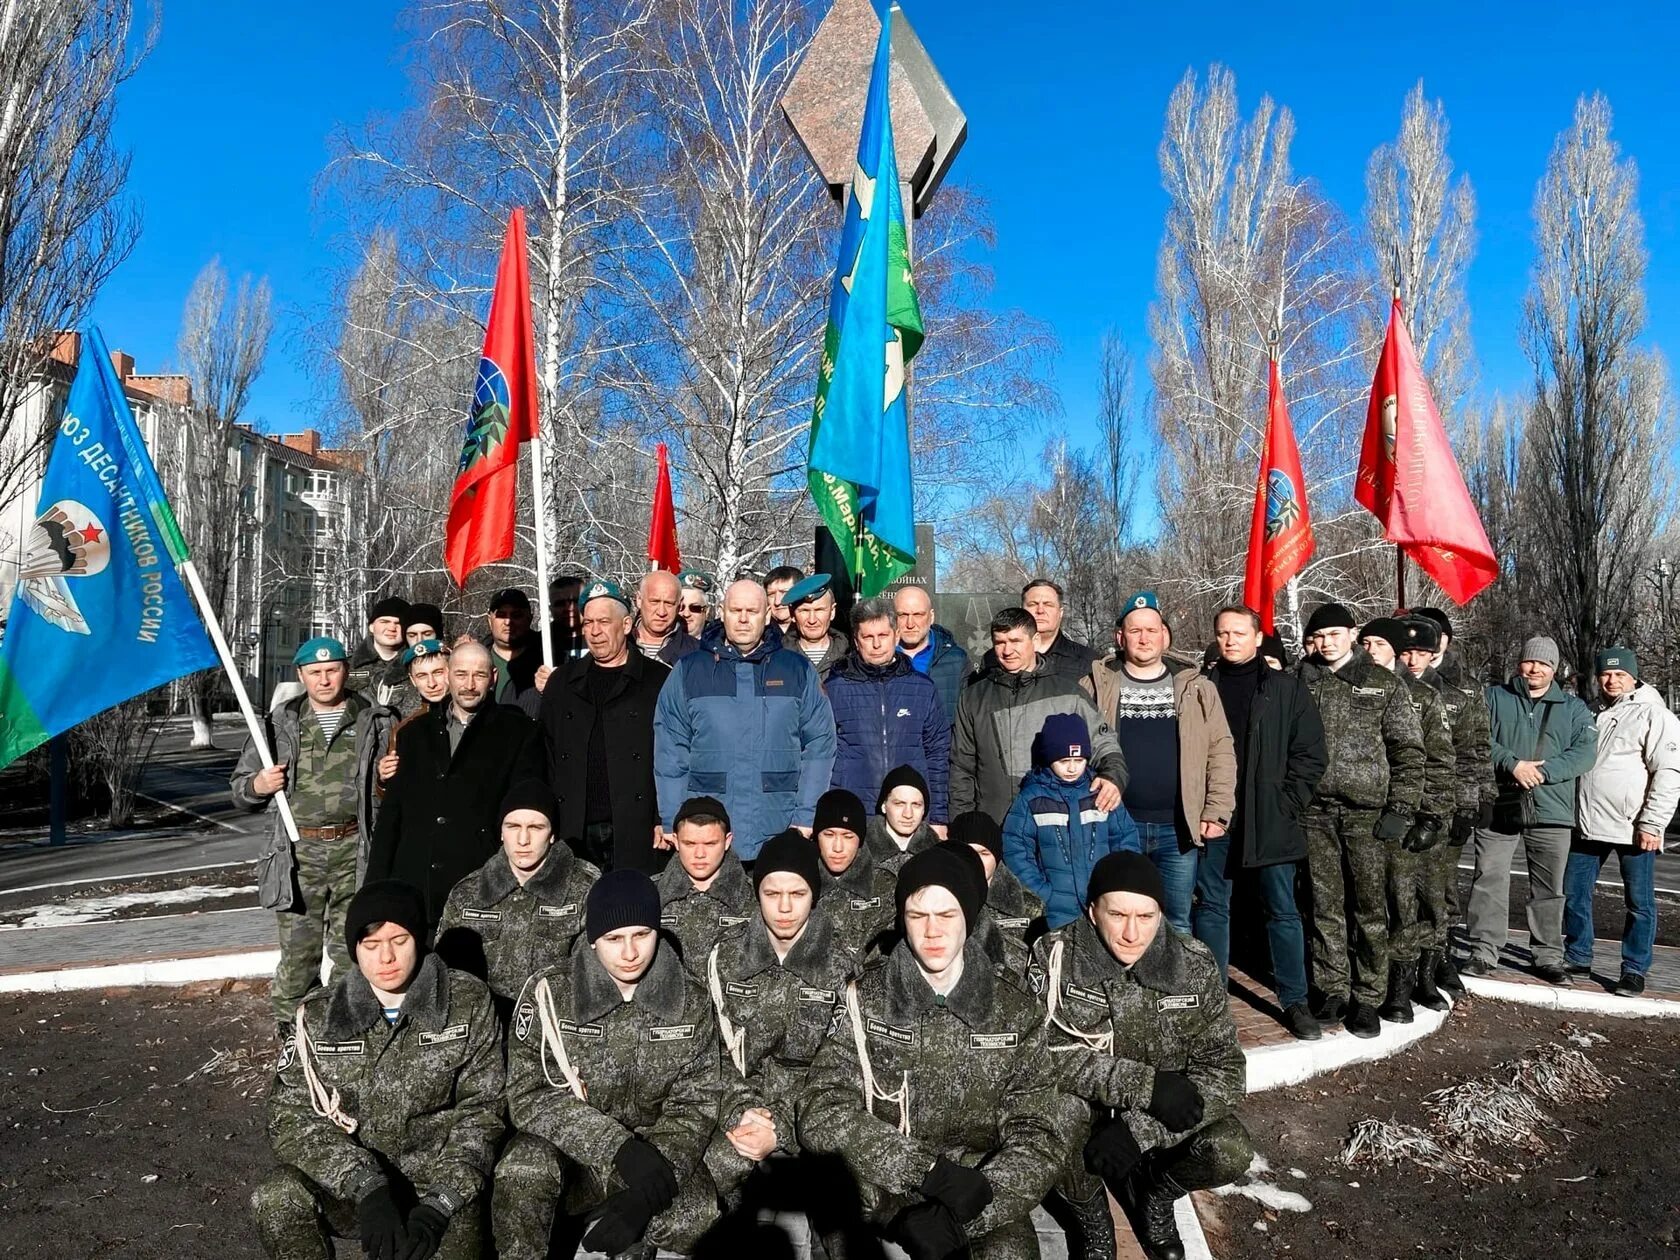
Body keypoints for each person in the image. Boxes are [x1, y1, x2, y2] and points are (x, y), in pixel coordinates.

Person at [798, 846, 1071, 1260]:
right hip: (881, 1187)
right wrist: (923, 1173)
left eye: (947, 915)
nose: (932, 931)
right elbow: (821, 1110)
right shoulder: (864, 1000)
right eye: (917, 915)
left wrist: (964, 1216)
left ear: (970, 918)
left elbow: (1039, 1135)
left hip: (979, 1187)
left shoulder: (1014, 1009)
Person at [252, 880, 504, 1260]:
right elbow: (291, 1117)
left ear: (419, 940)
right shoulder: (319, 1016)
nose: (386, 957)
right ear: (354, 949)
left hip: (441, 1189)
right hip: (357, 1190)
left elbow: (485, 1111)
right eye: (371, 945)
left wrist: (441, 1201)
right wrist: (364, 1184)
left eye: (399, 941)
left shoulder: (466, 1002)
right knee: (277, 1195)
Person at [1027, 853, 1252, 1260]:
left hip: (1160, 1120)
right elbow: (1041, 1056)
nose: (1132, 933)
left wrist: (1141, 1130)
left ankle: (1154, 1196)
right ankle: (1092, 1219)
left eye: (1146, 917)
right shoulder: (1054, 957)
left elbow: (1226, 1070)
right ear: (1092, 912)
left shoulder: (1194, 964)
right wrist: (1144, 1086)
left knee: (1229, 1149)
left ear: (1161, 913)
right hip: (1085, 1115)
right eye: (1118, 914)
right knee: (1049, 1113)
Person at [497, 870, 722, 1258]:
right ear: (593, 940)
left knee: (696, 1212)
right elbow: (527, 1094)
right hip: (572, 1151)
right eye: (614, 939)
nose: (630, 952)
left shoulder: (693, 1000)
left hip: (657, 1151)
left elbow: (696, 1103)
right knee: (522, 1171)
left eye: (642, 934)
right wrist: (616, 1148)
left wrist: (646, 1194)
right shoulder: (549, 994)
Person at [232, 637, 396, 1037]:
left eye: (333, 669)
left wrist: (388, 780)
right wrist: (258, 783)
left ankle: (342, 1028)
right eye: (316, 673)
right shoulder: (276, 725)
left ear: (345, 670)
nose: (325, 679)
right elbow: (239, 791)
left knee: (351, 949)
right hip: (297, 854)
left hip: (355, 851)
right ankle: (292, 1032)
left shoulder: (375, 721)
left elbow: (393, 789)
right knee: (299, 956)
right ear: (302, 676)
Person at [702, 829, 857, 1220]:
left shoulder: (843, 964)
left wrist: (782, 1127)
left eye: (798, 894)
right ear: (757, 896)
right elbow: (711, 1050)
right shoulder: (725, 956)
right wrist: (744, 1112)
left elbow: (844, 1069)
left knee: (846, 1213)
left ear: (814, 896)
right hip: (742, 1111)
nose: (784, 907)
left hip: (815, 1117)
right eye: (772, 894)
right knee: (699, 1202)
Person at [1193, 606, 1326, 1042]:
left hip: (1271, 818)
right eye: (1223, 633)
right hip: (1214, 817)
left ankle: (1294, 1000)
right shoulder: (1199, 688)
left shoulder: (1286, 688)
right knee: (1213, 908)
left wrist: (1288, 803)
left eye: (1238, 632)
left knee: (1283, 911)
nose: (1230, 640)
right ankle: (1212, 1003)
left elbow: (1309, 754)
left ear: (1256, 638)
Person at [1295, 603, 1424, 1037]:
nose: (1327, 643)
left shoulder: (1381, 683)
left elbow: (1408, 751)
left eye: (1336, 634)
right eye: (1320, 636)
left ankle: (1369, 995)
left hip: (1366, 815)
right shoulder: (1303, 680)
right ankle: (1334, 987)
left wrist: (1401, 809)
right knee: (1323, 905)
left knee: (1370, 908)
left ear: (1352, 635)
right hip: (1314, 813)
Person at [1085, 590, 1237, 932]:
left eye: (1152, 630)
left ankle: (1172, 987)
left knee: (1176, 921)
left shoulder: (1195, 688)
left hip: (1177, 829)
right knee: (1117, 916)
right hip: (1116, 824)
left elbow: (1221, 749)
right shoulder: (1095, 686)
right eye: (1135, 630)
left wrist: (1216, 809)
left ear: (1164, 636)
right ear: (1119, 637)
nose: (1144, 638)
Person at [653, 578, 836, 861]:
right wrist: (672, 817)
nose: (742, 619)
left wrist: (807, 814)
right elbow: (670, 751)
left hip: (779, 824)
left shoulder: (796, 670)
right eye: (735, 610)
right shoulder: (689, 671)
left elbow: (820, 745)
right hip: (707, 830)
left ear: (766, 616)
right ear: (722, 612)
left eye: (751, 611)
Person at [368, 641, 543, 933]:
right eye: (461, 674)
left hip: (481, 885)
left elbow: (521, 812)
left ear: (493, 679)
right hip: (415, 886)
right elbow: (391, 818)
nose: (470, 685)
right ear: (448, 675)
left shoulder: (518, 733)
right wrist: (375, 892)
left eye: (479, 675)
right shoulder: (413, 734)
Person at [1465, 635, 1598, 982]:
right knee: (1489, 877)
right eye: (1529, 661)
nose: (1535, 668)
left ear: (1554, 669)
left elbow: (1584, 754)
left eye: (1543, 663)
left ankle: (1548, 956)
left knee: (1549, 887)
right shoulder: (1494, 697)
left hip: (1551, 808)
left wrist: (1541, 771)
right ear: (1519, 663)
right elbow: (1477, 738)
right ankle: (1483, 950)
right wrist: (1511, 764)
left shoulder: (1574, 708)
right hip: (1500, 802)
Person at [434, 781, 601, 1017]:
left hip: (554, 1022)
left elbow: (593, 974)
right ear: (501, 832)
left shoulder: (585, 889)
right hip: (484, 1025)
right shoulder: (468, 894)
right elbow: (445, 975)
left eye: (536, 827)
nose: (523, 840)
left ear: (552, 834)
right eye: (513, 826)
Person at [1359, 617, 1457, 1021]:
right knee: (1368, 905)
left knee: (1407, 905)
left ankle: (1402, 988)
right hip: (1363, 815)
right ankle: (1370, 984)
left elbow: (1439, 762)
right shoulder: (1351, 688)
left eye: (1379, 646)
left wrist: (1431, 817)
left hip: (1409, 819)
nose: (1370, 653)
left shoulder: (1422, 696)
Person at [538, 579, 671, 874]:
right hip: (573, 827)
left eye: (603, 622)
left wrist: (665, 817)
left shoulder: (659, 680)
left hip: (636, 826)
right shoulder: (561, 683)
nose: (594, 632)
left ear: (625, 625)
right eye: (587, 623)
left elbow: (672, 755)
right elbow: (545, 752)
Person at [1567, 647, 1679, 995]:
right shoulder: (1591, 712)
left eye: (1619, 674)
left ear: (1633, 676)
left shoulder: (1654, 714)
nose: (1612, 680)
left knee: (1639, 902)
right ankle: (1578, 954)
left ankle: (1633, 969)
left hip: (1634, 826)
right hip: (1588, 822)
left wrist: (1654, 822)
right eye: (1606, 674)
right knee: (1574, 893)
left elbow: (1669, 772)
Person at [951, 606, 1126, 823]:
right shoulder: (973, 697)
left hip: (1056, 824)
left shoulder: (1069, 693)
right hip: (994, 824)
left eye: (1015, 641)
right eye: (1000, 642)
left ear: (1034, 641)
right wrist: (963, 823)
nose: (1007, 650)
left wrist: (1112, 776)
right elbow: (961, 768)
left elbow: (1105, 744)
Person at [1401, 609, 1495, 999]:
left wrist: (1476, 799)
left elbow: (1476, 749)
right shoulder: (1396, 680)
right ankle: (1406, 967)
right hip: (1404, 803)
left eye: (1433, 637)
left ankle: (1437, 961)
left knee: (1441, 891)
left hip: (1449, 805)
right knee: (1405, 891)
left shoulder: (1465, 689)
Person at [1003, 713, 1141, 929]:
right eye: (1064, 761)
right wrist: (1042, 892)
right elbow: (1016, 848)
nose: (1072, 768)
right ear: (1049, 758)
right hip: (1055, 910)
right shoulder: (1033, 798)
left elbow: (1125, 839)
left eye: (1079, 760)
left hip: (1103, 904)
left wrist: (1117, 884)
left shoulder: (1100, 793)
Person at [825, 597, 951, 825]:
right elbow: (822, 754)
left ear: (896, 635)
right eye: (868, 637)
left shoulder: (922, 688)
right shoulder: (835, 688)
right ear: (856, 640)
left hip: (909, 813)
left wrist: (939, 817)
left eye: (883, 636)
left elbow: (938, 754)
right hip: (853, 811)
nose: (876, 645)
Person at [656, 796, 756, 965]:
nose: (700, 854)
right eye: (690, 843)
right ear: (676, 841)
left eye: (710, 844)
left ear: (727, 841)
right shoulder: (649, 896)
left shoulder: (755, 898)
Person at [950, 809, 1046, 976]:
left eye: (984, 853)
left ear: (996, 856)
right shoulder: (935, 902)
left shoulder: (1031, 908)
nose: (976, 861)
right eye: (968, 852)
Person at [814, 788, 899, 959]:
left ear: (860, 839)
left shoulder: (885, 886)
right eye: (829, 835)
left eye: (848, 836)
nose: (837, 847)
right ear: (817, 837)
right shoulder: (799, 882)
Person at [894, 585, 969, 728]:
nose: (910, 624)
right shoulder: (879, 659)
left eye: (918, 615)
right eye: (902, 615)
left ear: (931, 616)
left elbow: (968, 721)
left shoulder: (956, 660)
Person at [1011, 578, 1102, 683]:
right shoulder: (998, 658)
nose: (1040, 610)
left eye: (1048, 604)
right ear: (1021, 610)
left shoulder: (1088, 661)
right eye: (1032, 604)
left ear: (1061, 613)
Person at [866, 764, 941, 876]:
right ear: (883, 805)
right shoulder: (860, 851)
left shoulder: (939, 855)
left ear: (924, 809)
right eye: (899, 804)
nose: (908, 814)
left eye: (916, 805)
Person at [482, 587, 544, 717]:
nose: (508, 622)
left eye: (516, 615)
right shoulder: (475, 660)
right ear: (489, 619)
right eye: (501, 615)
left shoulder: (547, 660)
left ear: (529, 619)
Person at [783, 572, 850, 679]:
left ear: (832, 612)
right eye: (804, 611)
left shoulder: (851, 657)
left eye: (819, 610)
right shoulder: (778, 659)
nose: (812, 620)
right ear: (792, 615)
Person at [347, 596, 409, 704]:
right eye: (384, 622)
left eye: (399, 623)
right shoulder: (347, 666)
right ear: (371, 627)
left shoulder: (415, 665)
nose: (392, 628)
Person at [633, 568, 701, 665]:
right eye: (654, 602)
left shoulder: (697, 653)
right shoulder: (621, 644)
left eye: (669, 604)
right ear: (639, 600)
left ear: (679, 605)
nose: (661, 612)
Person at [384, 637, 451, 728]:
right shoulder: (406, 731)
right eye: (422, 676)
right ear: (412, 680)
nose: (431, 684)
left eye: (438, 673)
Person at [763, 564, 804, 634]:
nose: (777, 602)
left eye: (784, 593)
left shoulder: (813, 629)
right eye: (771, 594)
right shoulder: (758, 633)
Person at [677, 569, 716, 638]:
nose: (686, 614)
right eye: (680, 607)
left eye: (694, 608)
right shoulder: (661, 643)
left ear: (707, 611)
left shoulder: (718, 645)